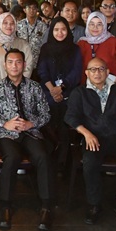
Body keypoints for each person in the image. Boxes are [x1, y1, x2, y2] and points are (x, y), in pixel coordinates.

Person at [0, 48, 53, 231]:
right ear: (5, 65)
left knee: (42, 156)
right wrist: (4, 124)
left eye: (18, 62)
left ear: (24, 65)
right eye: (10, 62)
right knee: (12, 157)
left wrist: (31, 123)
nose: (14, 66)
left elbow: (46, 114)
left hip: (30, 132)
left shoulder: (34, 87)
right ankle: (5, 205)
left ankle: (46, 206)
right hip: (6, 134)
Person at [65, 57, 116, 226]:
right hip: (94, 138)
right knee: (90, 162)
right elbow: (70, 117)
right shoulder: (79, 93)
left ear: (108, 72)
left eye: (101, 69)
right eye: (93, 70)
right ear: (87, 73)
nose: (97, 73)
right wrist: (86, 133)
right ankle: (94, 204)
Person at [37, 17, 83, 171]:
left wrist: (61, 88)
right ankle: (48, 158)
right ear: (51, 31)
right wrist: (53, 89)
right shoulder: (46, 48)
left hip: (68, 91)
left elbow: (76, 73)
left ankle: (63, 161)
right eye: (56, 29)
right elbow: (42, 71)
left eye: (63, 29)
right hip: (48, 90)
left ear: (68, 31)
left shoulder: (75, 49)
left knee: (66, 118)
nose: (60, 33)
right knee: (47, 113)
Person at [77, 12, 116, 93]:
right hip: (87, 89)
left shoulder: (114, 42)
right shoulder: (81, 43)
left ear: (104, 25)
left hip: (113, 86)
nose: (95, 27)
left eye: (99, 24)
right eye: (92, 24)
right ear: (87, 25)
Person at [0, 12, 34, 84]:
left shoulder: (24, 44)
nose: (9, 26)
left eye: (12, 23)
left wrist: (18, 84)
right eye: (5, 23)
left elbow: (28, 66)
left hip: (20, 87)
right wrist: (2, 87)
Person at [16, 0, 48, 67]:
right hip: (21, 61)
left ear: (37, 10)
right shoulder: (18, 25)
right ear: (24, 10)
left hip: (37, 62)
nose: (31, 10)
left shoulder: (43, 26)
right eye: (29, 8)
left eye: (34, 8)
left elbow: (45, 44)